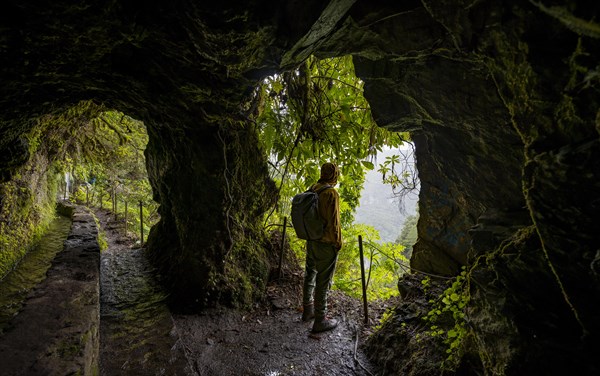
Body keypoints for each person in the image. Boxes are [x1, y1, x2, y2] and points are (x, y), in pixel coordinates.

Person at [302, 162, 343, 333]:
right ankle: (320, 319)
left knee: (310, 274)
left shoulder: (313, 188)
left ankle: (307, 310)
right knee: (323, 281)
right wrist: (337, 242)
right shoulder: (331, 193)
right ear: (334, 175)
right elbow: (333, 222)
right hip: (325, 243)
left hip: (311, 239)